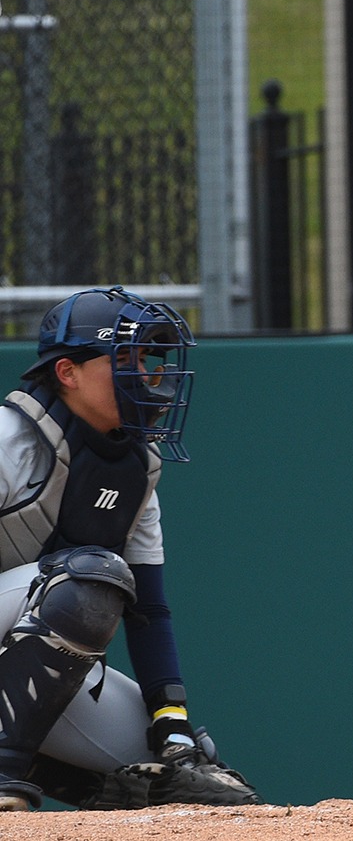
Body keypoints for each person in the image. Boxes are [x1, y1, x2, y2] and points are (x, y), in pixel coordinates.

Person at [0, 287, 256, 811]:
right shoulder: (8, 438)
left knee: (196, 780)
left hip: (18, 668)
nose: (144, 374)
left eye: (146, 359)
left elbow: (150, 612)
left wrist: (173, 721)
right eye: (125, 359)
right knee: (87, 579)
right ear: (67, 372)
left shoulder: (139, 468)